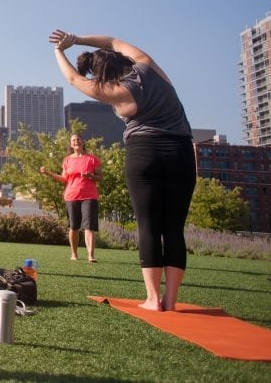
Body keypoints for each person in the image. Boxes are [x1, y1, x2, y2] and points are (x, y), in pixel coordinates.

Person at [49, 30, 194, 311]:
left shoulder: (117, 91)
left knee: (149, 226)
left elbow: (73, 79)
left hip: (145, 151)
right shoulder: (147, 65)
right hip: (181, 151)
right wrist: (76, 39)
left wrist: (59, 50)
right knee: (174, 228)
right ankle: (171, 301)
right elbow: (112, 41)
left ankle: (153, 299)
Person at [39, 134, 102, 262]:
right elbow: (64, 178)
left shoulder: (92, 159)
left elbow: (100, 178)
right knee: (74, 227)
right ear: (71, 144)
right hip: (71, 196)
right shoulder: (67, 160)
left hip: (89, 196)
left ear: (83, 142)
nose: (76, 141)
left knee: (89, 227)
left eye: (78, 139)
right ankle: (74, 254)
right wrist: (48, 173)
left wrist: (90, 175)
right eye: (73, 140)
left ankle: (91, 255)